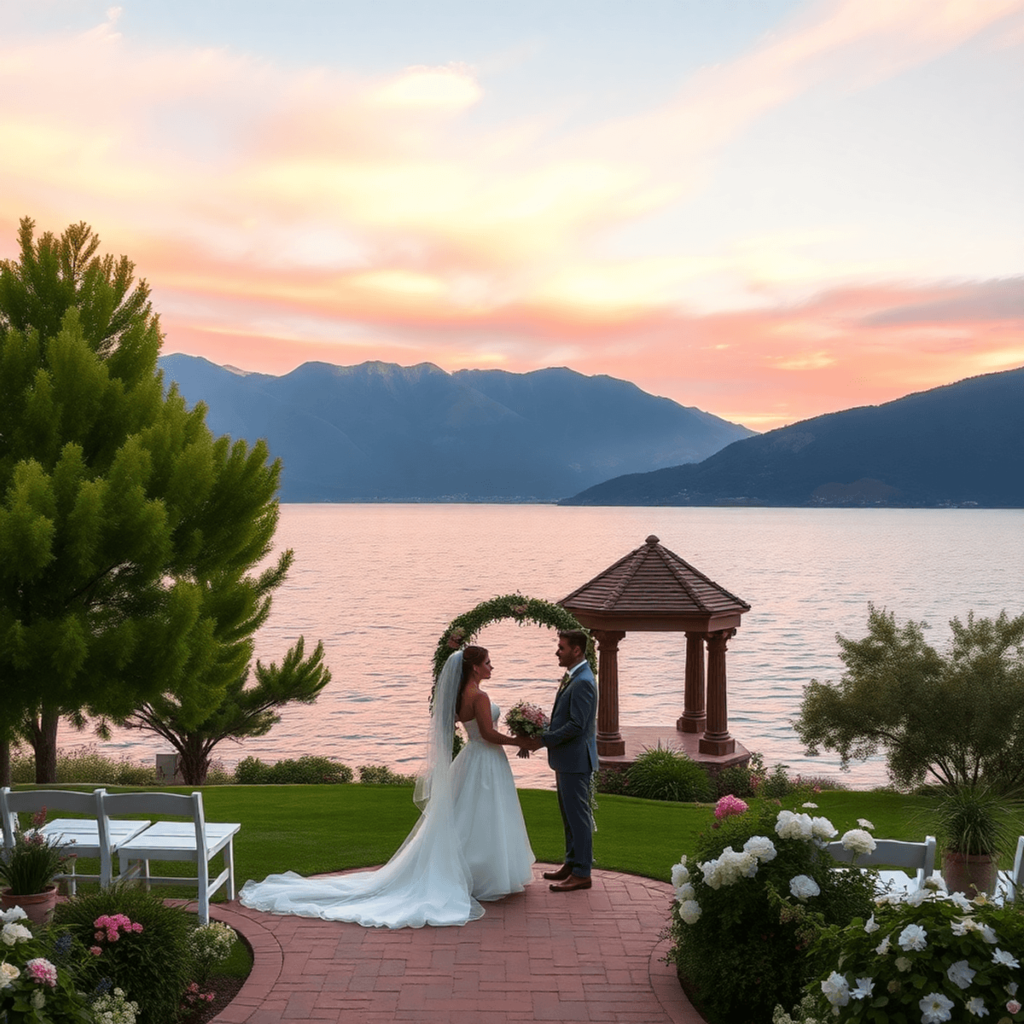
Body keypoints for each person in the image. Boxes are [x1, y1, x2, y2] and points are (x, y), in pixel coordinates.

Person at [238, 645, 534, 927]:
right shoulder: (479, 696)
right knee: (485, 816)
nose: (491, 666)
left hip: (472, 759)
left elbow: (468, 727)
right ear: (474, 667)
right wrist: (520, 740)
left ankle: (473, 874)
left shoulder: (459, 696)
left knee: (469, 817)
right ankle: (486, 877)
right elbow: (487, 733)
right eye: (487, 662)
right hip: (485, 759)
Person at [519, 629, 598, 892]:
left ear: (577, 650)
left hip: (576, 761)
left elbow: (577, 726)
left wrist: (543, 740)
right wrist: (539, 728)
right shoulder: (573, 677)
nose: (557, 651)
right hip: (566, 759)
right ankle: (571, 863)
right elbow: (565, 718)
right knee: (568, 816)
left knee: (578, 817)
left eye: (562, 647)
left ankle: (582, 873)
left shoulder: (584, 681)